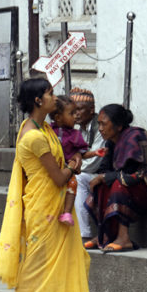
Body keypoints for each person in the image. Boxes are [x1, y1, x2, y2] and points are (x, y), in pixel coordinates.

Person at [0, 77, 94, 292]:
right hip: (44, 209)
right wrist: (74, 164)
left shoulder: (41, 127)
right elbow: (59, 178)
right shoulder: (34, 136)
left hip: (55, 205)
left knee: (69, 265)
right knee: (35, 270)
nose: (54, 98)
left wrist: (74, 162)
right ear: (38, 100)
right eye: (49, 94)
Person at [84, 103, 147, 252]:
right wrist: (102, 177)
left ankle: (124, 238)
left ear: (119, 126)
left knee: (118, 184)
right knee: (101, 185)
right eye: (99, 124)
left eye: (103, 124)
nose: (100, 128)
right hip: (129, 184)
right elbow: (105, 169)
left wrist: (104, 177)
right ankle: (103, 236)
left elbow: (132, 173)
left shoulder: (135, 136)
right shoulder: (110, 142)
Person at [70, 87, 104, 241]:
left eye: (80, 110)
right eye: (73, 110)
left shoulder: (100, 128)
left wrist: (69, 169)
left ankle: (84, 233)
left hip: (102, 171)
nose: (75, 114)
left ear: (91, 110)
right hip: (88, 171)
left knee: (78, 178)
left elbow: (93, 162)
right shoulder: (79, 129)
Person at [49, 95, 89, 226]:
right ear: (58, 118)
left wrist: (80, 154)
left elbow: (83, 152)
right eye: (71, 113)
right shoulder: (48, 130)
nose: (76, 116)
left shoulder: (75, 134)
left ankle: (67, 212)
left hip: (68, 168)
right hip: (51, 169)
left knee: (73, 183)